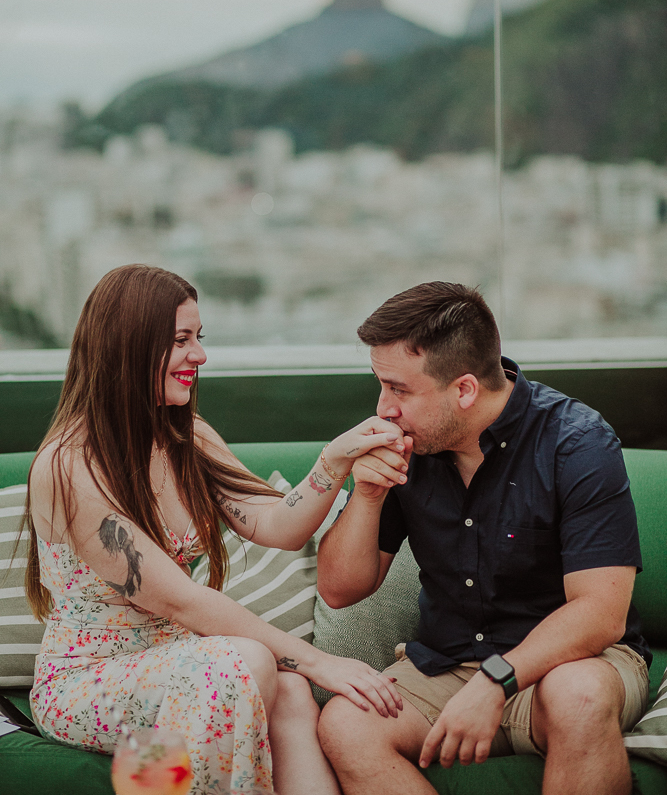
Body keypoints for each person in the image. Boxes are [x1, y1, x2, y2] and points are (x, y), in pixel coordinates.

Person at [25, 264, 404, 795]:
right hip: (87, 681)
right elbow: (180, 601)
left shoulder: (187, 436)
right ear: (130, 346)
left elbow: (278, 525)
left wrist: (334, 460)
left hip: (181, 663)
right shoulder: (69, 467)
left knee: (290, 691)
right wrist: (323, 662)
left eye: (198, 338)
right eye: (182, 340)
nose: (199, 356)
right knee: (243, 662)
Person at [316, 281, 650, 795]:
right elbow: (340, 590)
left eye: (399, 389)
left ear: (465, 389)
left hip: (571, 663)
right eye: (380, 386)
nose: (384, 409)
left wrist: (495, 679)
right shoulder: (411, 446)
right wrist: (365, 495)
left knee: (576, 696)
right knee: (345, 724)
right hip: (447, 665)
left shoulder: (576, 442)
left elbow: (600, 613)